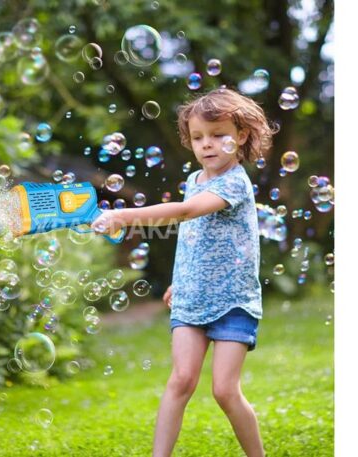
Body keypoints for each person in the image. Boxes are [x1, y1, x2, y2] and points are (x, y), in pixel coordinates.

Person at [91, 87, 274, 457]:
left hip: (233, 300)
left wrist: (123, 216)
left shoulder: (235, 182)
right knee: (181, 380)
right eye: (198, 137)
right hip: (192, 297)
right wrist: (183, 280)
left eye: (218, 135)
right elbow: (195, 237)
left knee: (224, 389)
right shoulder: (194, 180)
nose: (207, 144)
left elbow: (187, 213)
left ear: (240, 136)